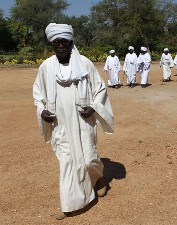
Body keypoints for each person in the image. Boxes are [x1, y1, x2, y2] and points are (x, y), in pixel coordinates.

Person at [33, 23, 114, 220]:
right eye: (56, 42)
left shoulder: (84, 64)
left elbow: (100, 89)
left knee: (88, 159)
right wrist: (42, 110)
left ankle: (98, 178)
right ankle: (70, 203)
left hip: (82, 121)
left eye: (64, 41)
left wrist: (94, 107)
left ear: (71, 42)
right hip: (60, 123)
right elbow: (38, 93)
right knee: (68, 162)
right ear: (52, 44)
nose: (60, 45)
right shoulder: (46, 67)